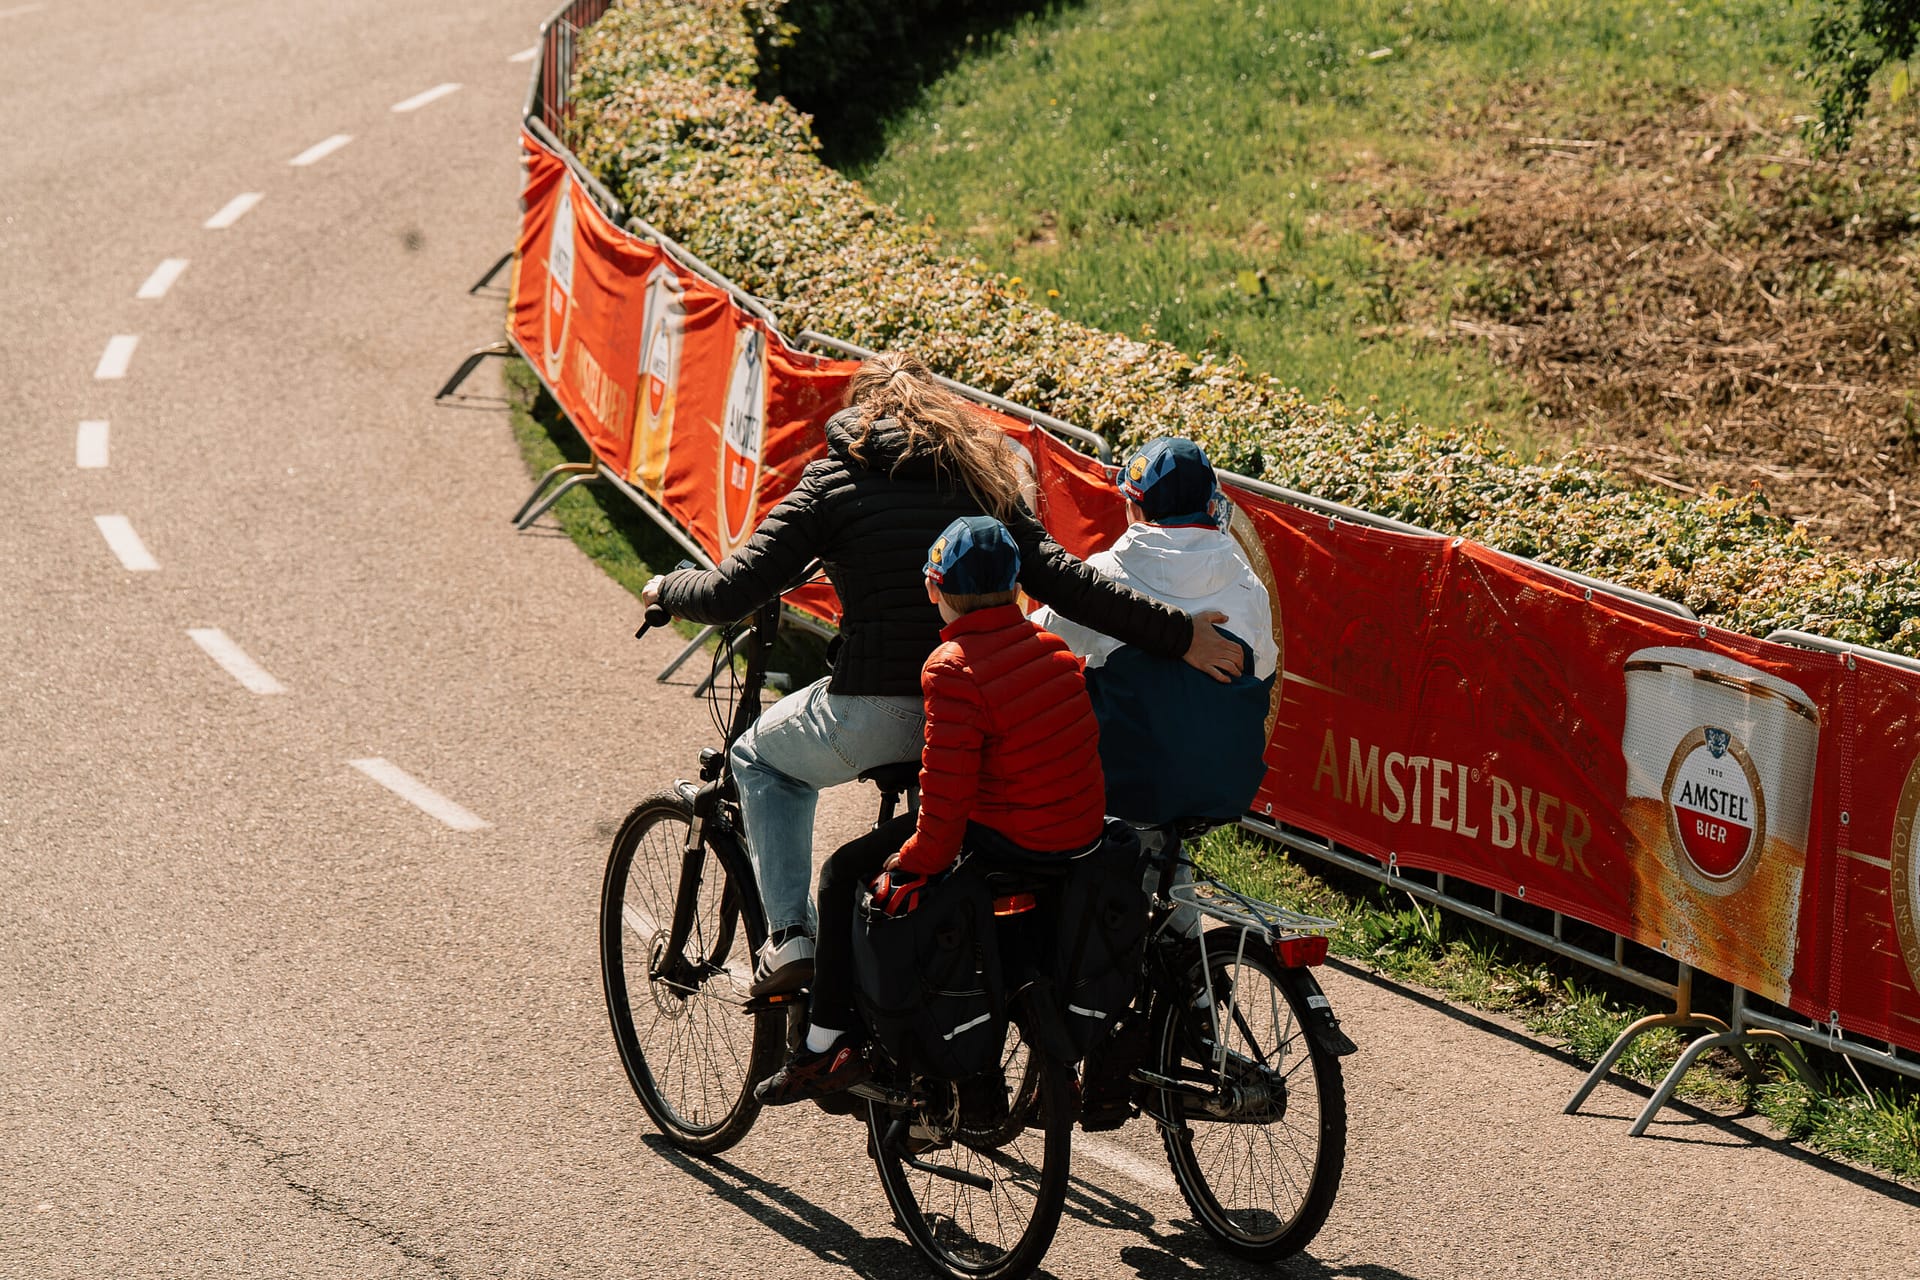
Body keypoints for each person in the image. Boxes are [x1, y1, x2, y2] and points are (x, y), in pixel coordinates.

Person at [641, 353, 1246, 997]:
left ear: (859, 413)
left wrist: (667, 587)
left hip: (876, 710)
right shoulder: (980, 480)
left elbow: (731, 590)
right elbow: (1072, 584)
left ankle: (790, 937)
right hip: (981, 713)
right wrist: (1180, 635)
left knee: (759, 760)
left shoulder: (832, 483)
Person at [754, 515, 1106, 1104]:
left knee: (841, 873)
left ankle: (824, 1044)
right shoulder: (1053, 648)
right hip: (1074, 840)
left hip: (1005, 838)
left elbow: (945, 799)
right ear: (1017, 585)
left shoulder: (951, 666)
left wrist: (915, 862)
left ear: (934, 588)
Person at [1032, 437, 1278, 936]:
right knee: (1164, 841)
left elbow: (1039, 638)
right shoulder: (1246, 583)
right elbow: (1266, 669)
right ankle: (1188, 962)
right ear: (1210, 503)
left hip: (1126, 782)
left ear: (1136, 507)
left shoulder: (1108, 574)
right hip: (1223, 783)